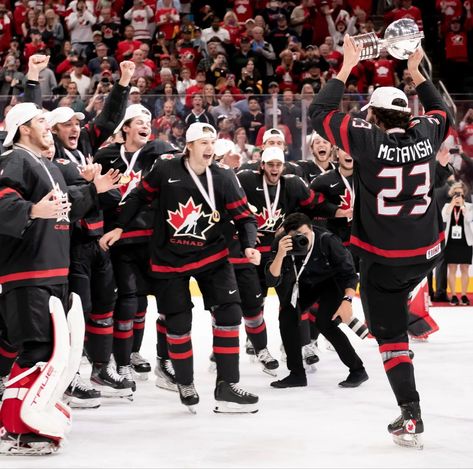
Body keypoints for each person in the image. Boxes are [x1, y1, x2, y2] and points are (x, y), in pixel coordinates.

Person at [309, 36, 451, 449]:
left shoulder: (366, 140)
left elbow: (320, 112)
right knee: (398, 297)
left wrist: (345, 66)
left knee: (389, 338)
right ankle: (407, 311)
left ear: (372, 116)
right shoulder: (426, 132)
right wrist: (417, 74)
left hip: (384, 262)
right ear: (407, 115)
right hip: (428, 253)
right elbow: (444, 110)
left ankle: (410, 412)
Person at [99, 123, 260, 414]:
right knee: (177, 321)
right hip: (169, 258)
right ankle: (185, 382)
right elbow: (138, 196)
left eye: (212, 141)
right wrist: (121, 227)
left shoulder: (223, 177)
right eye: (202, 142)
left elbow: (245, 217)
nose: (209, 147)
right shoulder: (165, 170)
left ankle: (227, 386)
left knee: (229, 312)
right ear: (188, 147)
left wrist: (249, 244)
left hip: (213, 256)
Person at [0, 101, 120, 455]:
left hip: (54, 269)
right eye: (41, 121)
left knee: (52, 351)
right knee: (36, 349)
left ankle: (31, 417)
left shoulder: (46, 165)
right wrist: (33, 210)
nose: (47, 127)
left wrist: (93, 191)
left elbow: (66, 203)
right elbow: (3, 203)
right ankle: (17, 427)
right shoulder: (14, 159)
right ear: (23, 128)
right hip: (28, 272)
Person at [94, 103, 180, 391]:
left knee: (169, 303)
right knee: (131, 301)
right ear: (125, 128)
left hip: (157, 238)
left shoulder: (159, 150)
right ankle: (123, 362)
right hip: (122, 239)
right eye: (138, 121)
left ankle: (164, 361)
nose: (146, 124)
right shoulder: (105, 156)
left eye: (148, 120)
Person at [266, 213, 368, 388]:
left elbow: (350, 275)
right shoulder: (282, 243)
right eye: (295, 236)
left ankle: (358, 370)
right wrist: (281, 254)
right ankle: (297, 374)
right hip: (304, 284)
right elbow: (271, 280)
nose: (300, 239)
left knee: (325, 323)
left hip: (330, 283)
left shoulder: (327, 240)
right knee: (287, 318)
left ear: (311, 229)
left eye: (304, 234)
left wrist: (347, 301)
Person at [442, 181, 473, 306]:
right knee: (452, 268)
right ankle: (454, 295)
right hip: (451, 242)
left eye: (460, 193)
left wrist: (463, 208)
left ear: (464, 193)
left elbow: (469, 219)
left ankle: (464, 295)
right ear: (452, 194)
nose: (458, 195)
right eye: (456, 193)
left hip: (465, 241)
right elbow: (443, 217)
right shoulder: (447, 206)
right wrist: (451, 205)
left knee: (465, 268)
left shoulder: (469, 206)